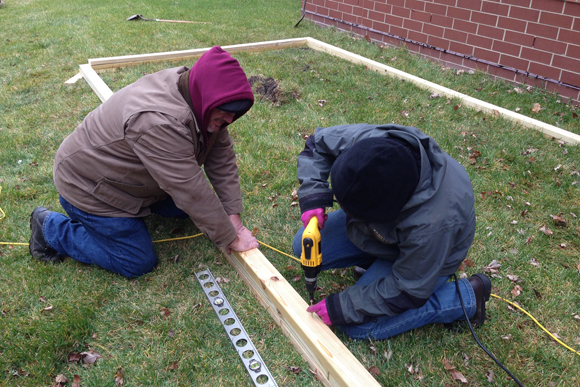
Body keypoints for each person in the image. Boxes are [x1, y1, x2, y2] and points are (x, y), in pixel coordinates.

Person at [29, 46, 259, 278]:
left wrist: (233, 216)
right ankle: (50, 227)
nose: (229, 119)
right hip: (91, 187)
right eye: (225, 112)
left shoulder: (200, 97)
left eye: (234, 113)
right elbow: (188, 188)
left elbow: (221, 160)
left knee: (195, 213)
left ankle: (147, 206)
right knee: (137, 261)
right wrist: (229, 237)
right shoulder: (158, 121)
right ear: (207, 96)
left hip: (132, 177)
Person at [293, 123, 491, 340]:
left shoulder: (434, 224)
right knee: (302, 245)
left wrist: (341, 307)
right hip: (384, 227)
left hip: (431, 256)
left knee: (356, 327)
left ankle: (467, 296)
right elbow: (317, 144)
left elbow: (408, 290)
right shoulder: (370, 145)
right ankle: (374, 265)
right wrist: (314, 197)